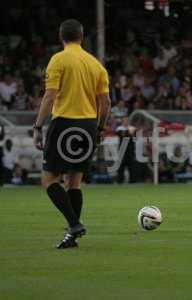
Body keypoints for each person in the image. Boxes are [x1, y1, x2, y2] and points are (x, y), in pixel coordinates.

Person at [32, 19, 111, 248]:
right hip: (87, 125)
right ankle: (71, 236)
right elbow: (105, 102)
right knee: (74, 182)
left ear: (61, 37)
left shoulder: (58, 60)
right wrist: (100, 128)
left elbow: (49, 96)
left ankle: (75, 224)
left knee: (48, 180)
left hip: (65, 122)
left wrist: (38, 127)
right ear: (82, 36)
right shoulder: (96, 65)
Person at [116, 117, 136, 183]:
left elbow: (133, 136)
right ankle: (119, 181)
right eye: (124, 120)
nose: (126, 121)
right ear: (122, 121)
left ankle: (132, 181)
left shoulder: (132, 128)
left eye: (127, 120)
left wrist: (127, 133)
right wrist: (129, 133)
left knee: (131, 166)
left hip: (130, 149)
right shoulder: (119, 128)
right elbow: (123, 135)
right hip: (122, 149)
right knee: (121, 166)